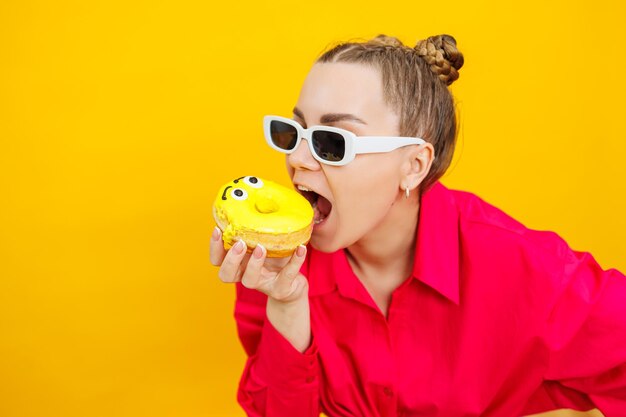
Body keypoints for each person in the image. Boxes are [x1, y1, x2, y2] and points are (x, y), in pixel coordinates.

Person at [209, 34, 626, 417]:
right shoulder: (273, 267)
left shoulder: (523, 267)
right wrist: (286, 306)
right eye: (293, 132)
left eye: (332, 142)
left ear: (414, 165)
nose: (297, 159)